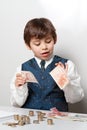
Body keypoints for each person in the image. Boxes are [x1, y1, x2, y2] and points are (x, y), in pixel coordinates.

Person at [10, 18, 84, 112]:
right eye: (37, 44)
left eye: (48, 41)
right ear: (28, 45)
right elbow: (16, 104)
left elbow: (75, 99)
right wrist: (19, 87)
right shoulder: (22, 68)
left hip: (59, 121)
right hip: (31, 121)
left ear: (55, 39)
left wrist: (66, 82)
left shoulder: (67, 65)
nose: (44, 47)